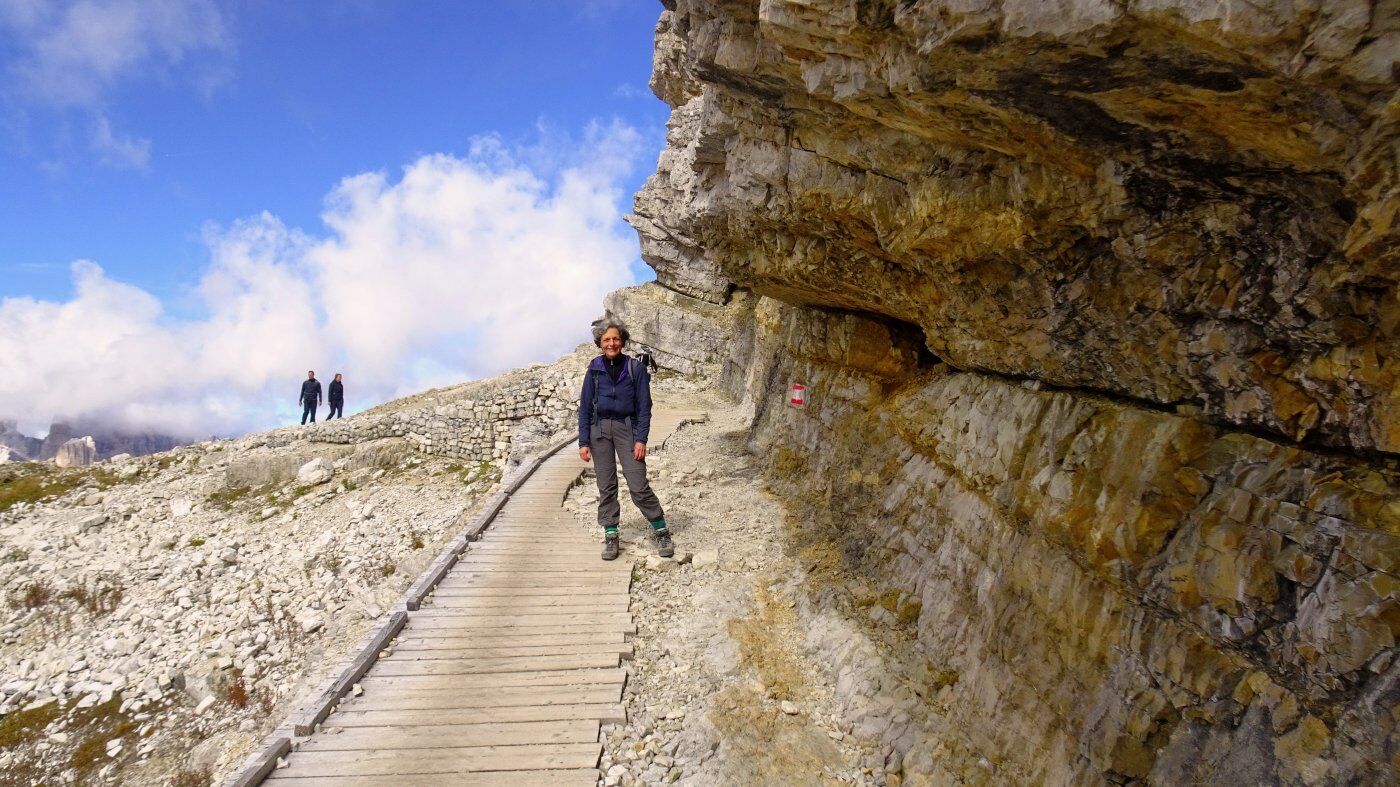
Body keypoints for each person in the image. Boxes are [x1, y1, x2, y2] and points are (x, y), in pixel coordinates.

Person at [578, 320, 672, 561]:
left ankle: (661, 530)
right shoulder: (594, 369)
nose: (611, 343)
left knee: (638, 484)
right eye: (606, 340)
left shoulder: (635, 369)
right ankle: (611, 535)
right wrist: (583, 442)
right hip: (599, 431)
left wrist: (641, 439)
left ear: (622, 341)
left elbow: (644, 407)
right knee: (606, 485)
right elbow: (585, 407)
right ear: (600, 343)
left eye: (616, 339)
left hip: (627, 428)